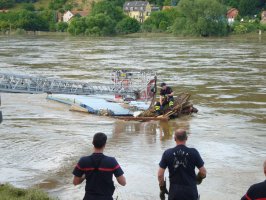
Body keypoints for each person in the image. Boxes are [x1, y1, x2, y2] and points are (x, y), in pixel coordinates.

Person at [72, 132, 126, 200]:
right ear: (105, 144)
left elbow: (75, 182)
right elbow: (123, 182)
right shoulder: (111, 161)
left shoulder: (83, 161)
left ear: (93, 143)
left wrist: (85, 176)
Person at [158, 129, 207, 200]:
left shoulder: (167, 153)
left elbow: (160, 175)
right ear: (186, 138)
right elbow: (203, 172)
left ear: (174, 138)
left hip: (174, 194)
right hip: (191, 193)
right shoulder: (194, 152)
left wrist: (162, 188)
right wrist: (198, 179)